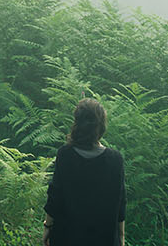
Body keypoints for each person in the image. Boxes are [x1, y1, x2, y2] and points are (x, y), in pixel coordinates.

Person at [43, 98, 125, 246]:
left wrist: (47, 227)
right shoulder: (115, 160)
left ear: (77, 124)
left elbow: (55, 196)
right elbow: (120, 203)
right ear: (101, 127)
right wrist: (121, 237)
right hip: (104, 240)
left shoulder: (65, 155)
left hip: (66, 238)